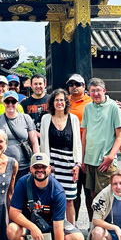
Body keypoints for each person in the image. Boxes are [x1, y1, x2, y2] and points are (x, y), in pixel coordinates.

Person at [7, 153, 84, 240]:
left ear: (49, 168)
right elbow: (14, 213)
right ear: (31, 169)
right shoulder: (22, 183)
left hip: (51, 226)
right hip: (30, 225)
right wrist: (32, 227)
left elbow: (58, 226)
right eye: (36, 167)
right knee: (11, 230)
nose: (39, 170)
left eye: (42, 166)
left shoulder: (58, 191)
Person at [39, 88, 82, 225]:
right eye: (57, 100)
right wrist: (46, 165)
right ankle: (53, 228)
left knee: (69, 200)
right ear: (52, 102)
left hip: (69, 164)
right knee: (52, 198)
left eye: (62, 100)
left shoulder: (73, 118)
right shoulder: (46, 119)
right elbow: (43, 144)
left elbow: (77, 143)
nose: (59, 103)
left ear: (66, 102)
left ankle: (72, 229)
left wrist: (78, 164)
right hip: (53, 165)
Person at [81, 78, 121, 200]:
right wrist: (83, 158)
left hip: (105, 158)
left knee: (108, 195)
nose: (96, 94)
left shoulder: (114, 107)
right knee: (93, 195)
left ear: (104, 90)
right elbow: (85, 133)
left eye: (98, 90)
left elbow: (120, 135)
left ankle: (110, 219)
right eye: (92, 91)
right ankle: (96, 220)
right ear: (88, 93)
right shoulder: (88, 108)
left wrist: (111, 156)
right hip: (90, 158)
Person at [0, 90, 38, 180]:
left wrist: (36, 162)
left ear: (17, 103)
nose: (10, 104)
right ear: (3, 103)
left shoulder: (26, 118)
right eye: (7, 101)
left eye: (13, 101)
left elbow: (34, 142)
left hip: (24, 166)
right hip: (2, 166)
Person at [66, 73, 92, 223]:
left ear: (84, 86)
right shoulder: (64, 101)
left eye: (77, 84)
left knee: (89, 192)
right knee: (72, 192)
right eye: (71, 84)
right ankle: (72, 224)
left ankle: (90, 224)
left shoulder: (90, 102)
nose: (74, 87)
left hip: (88, 151)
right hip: (70, 151)